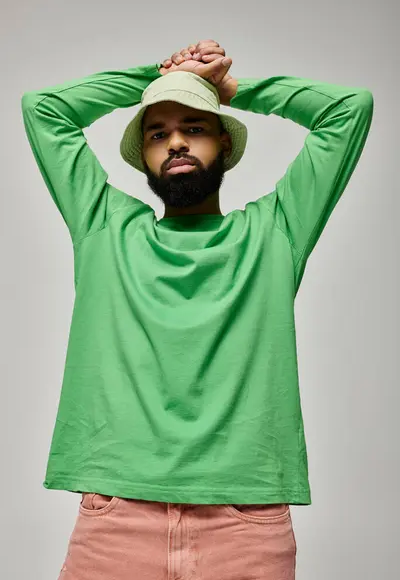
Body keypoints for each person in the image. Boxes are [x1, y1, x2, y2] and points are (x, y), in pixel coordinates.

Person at [21, 39, 374, 579]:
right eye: (158, 134)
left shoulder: (274, 231)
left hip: (245, 520)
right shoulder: (104, 228)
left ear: (224, 145)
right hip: (117, 516)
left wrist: (228, 88)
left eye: (196, 127)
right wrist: (158, 77)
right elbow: (42, 109)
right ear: (143, 157)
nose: (177, 142)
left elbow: (349, 109)